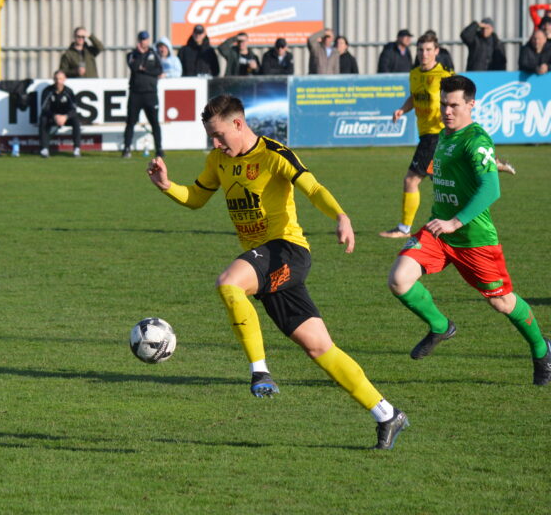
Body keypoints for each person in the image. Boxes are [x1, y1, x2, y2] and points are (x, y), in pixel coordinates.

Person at [146, 94, 409, 449]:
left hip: (287, 251)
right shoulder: (217, 161)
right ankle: (387, 414)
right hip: (265, 263)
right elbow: (195, 197)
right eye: (211, 136)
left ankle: (259, 370)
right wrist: (166, 186)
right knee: (319, 348)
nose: (216, 143)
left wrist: (341, 215)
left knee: (229, 284)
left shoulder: (274, 154)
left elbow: (312, 187)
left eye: (220, 135)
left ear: (239, 124)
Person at [387, 75, 550, 385]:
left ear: (472, 105)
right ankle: (439, 326)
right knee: (398, 279)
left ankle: (542, 349)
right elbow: (455, 172)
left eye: (454, 106)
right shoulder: (445, 135)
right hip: (438, 232)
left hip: (474, 239)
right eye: (443, 104)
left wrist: (456, 220)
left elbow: (491, 190)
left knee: (501, 302)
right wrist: (490, 166)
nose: (447, 111)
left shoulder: (476, 139)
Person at [380, 31, 454, 239]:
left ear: (437, 51)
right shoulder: (414, 74)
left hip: (435, 135)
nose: (424, 54)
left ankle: (404, 228)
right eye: (421, 50)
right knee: (446, 180)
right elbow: (414, 97)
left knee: (411, 180)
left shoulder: (444, 76)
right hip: (426, 135)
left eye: (429, 50)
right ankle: (486, 164)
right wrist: (402, 110)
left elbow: (455, 103)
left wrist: (447, 117)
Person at [121, 31, 163, 158]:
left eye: (145, 39)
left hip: (150, 93)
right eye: (141, 39)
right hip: (136, 94)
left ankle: (159, 149)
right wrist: (140, 55)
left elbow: (159, 70)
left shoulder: (153, 54)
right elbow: (134, 67)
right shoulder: (132, 54)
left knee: (154, 122)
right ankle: (126, 148)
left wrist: (145, 70)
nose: (143, 41)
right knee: (130, 122)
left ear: (148, 40)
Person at [38, 70, 82, 159]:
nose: (58, 81)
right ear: (54, 79)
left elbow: (73, 109)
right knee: (43, 119)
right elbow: (44, 108)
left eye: (61, 79)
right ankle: (44, 149)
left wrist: (65, 117)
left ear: (64, 79)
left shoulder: (68, 91)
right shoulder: (47, 91)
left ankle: (76, 149)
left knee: (76, 120)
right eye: (57, 79)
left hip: (65, 118)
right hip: (52, 117)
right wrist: (55, 116)